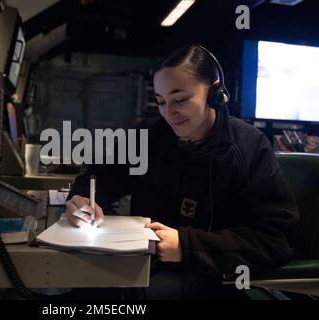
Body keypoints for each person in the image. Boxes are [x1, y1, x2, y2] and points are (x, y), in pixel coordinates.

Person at [65, 44, 299, 299]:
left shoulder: (248, 146)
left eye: (180, 99)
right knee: (86, 280)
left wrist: (186, 246)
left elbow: (277, 239)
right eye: (161, 101)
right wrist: (84, 199)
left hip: (214, 276)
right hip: (148, 264)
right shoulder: (152, 136)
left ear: (215, 92)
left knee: (127, 296)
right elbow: (97, 176)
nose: (169, 113)